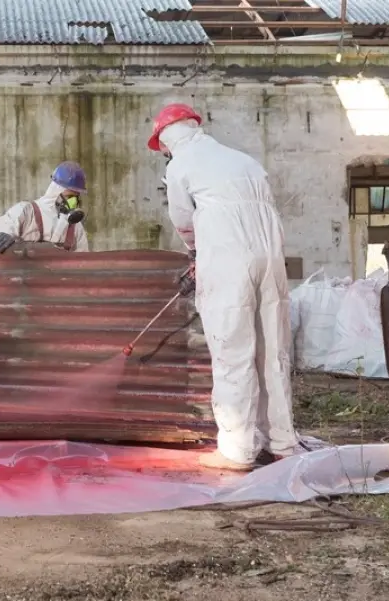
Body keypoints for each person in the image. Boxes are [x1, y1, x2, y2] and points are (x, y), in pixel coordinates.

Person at [148, 103, 301, 471]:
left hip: (228, 259)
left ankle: (238, 450)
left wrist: (196, 255)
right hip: (271, 257)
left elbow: (184, 221)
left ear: (165, 140)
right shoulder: (243, 160)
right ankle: (282, 443)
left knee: (233, 351)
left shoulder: (180, 165)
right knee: (273, 351)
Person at [0, 161, 90, 254]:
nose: (74, 202)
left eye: (76, 197)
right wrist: (3, 235)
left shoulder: (76, 227)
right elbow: (0, 229)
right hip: (26, 274)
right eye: (70, 196)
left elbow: (83, 259)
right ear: (56, 191)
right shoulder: (27, 212)